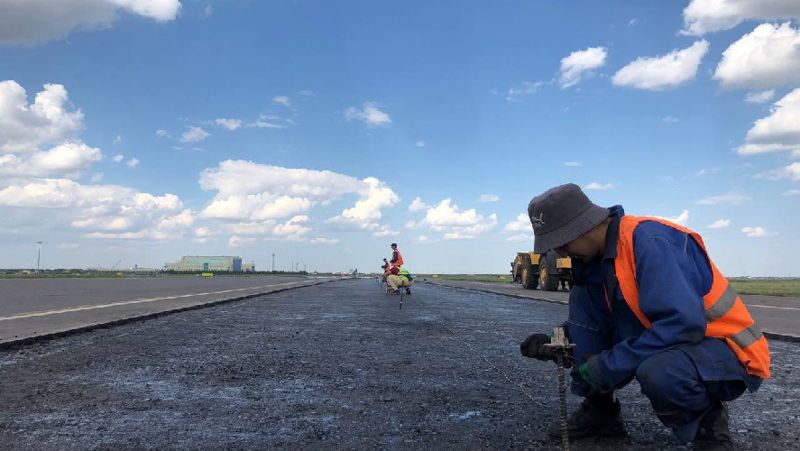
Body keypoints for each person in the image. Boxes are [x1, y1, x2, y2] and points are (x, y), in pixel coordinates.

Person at [519, 183, 769, 451]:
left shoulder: (651, 242)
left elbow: (682, 325)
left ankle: (709, 429)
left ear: (583, 226)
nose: (562, 254)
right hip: (677, 342)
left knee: (661, 372)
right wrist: (559, 341)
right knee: (583, 298)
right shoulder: (597, 262)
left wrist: (611, 365)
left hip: (725, 347)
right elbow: (600, 324)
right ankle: (601, 412)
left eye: (562, 243)